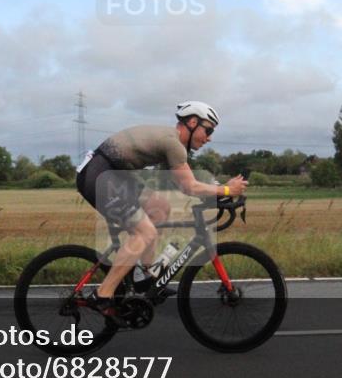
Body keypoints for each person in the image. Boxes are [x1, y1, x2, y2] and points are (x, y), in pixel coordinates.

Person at [75, 101, 248, 319]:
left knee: (160, 207)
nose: (210, 137)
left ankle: (142, 275)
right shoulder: (172, 143)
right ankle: (103, 294)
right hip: (99, 176)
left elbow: (184, 183)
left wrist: (221, 189)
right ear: (193, 122)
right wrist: (225, 189)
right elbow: (190, 186)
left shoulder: (173, 144)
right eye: (208, 129)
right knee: (145, 232)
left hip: (112, 175)